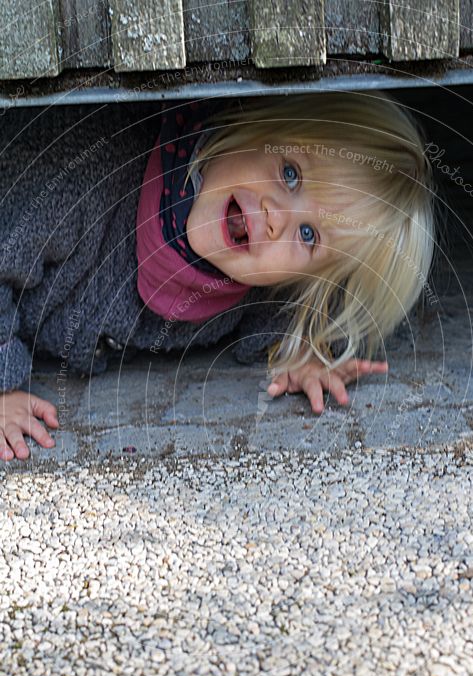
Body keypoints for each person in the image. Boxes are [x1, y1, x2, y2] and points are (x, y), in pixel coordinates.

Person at [0, 91, 435, 461]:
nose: (275, 218)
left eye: (308, 235)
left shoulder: (247, 277)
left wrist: (306, 351)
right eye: (290, 173)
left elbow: (291, 308)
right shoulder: (77, 181)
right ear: (252, 124)